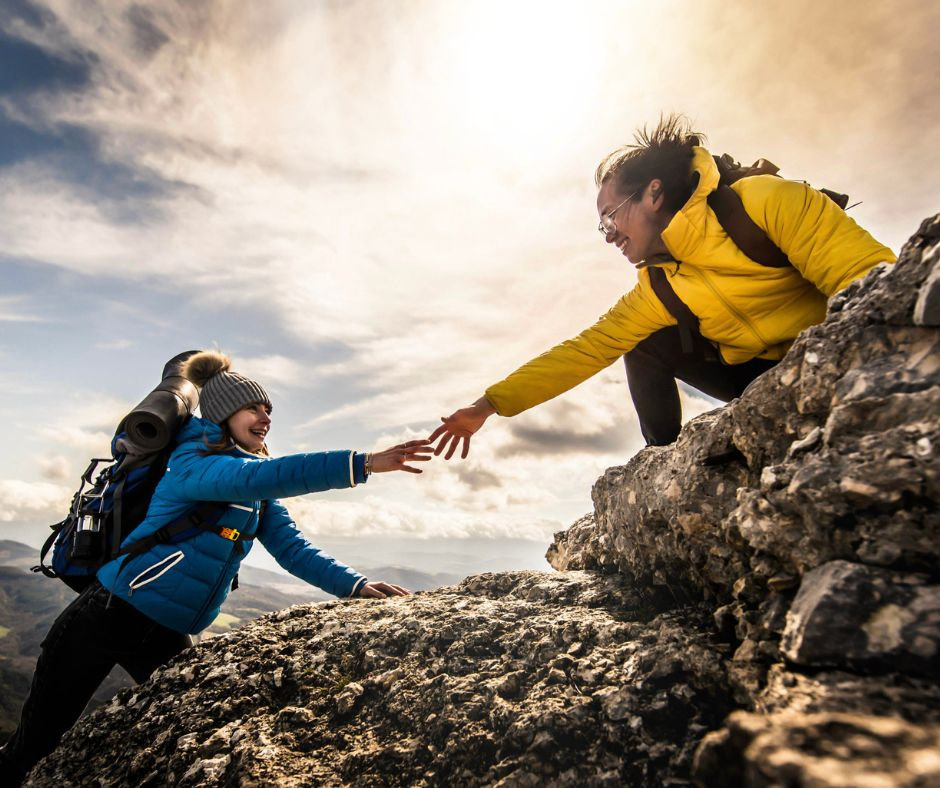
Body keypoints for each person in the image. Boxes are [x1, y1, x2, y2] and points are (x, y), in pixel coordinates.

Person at [0, 351, 432, 786]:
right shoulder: (193, 464)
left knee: (190, 732)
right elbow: (261, 478)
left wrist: (354, 585)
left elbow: (292, 549)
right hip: (105, 616)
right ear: (224, 414)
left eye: (268, 410)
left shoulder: (254, 479)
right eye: (253, 408)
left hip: (163, 632)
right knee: (35, 745)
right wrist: (363, 463)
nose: (264, 418)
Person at [429, 115, 897, 455]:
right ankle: (666, 461)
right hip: (754, 378)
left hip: (828, 355)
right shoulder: (659, 284)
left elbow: (868, 281)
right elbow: (585, 350)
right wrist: (487, 406)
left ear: (654, 193)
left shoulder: (765, 204)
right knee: (643, 342)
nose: (608, 234)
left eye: (610, 217)